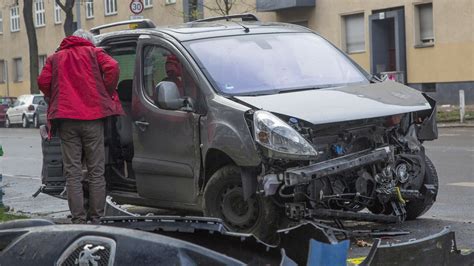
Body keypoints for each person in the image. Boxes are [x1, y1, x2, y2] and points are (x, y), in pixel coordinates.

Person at [38, 29, 123, 224]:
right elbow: (113, 67)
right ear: (89, 41)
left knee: (73, 172)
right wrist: (105, 89)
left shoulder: (56, 58)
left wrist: (55, 92)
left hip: (67, 120)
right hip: (93, 119)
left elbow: (43, 81)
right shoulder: (95, 53)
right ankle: (97, 217)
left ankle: (78, 218)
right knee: (96, 171)